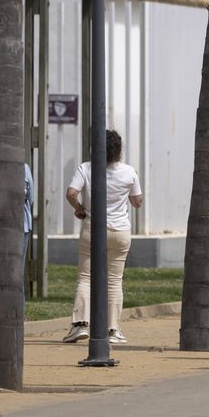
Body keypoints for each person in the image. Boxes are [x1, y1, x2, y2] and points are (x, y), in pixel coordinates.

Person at [62, 129, 142, 344]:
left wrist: (78, 208)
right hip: (120, 231)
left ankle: (80, 324)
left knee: (86, 277)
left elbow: (71, 193)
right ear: (119, 150)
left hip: (93, 228)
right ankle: (112, 329)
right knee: (115, 280)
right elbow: (137, 201)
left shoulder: (86, 168)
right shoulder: (129, 171)